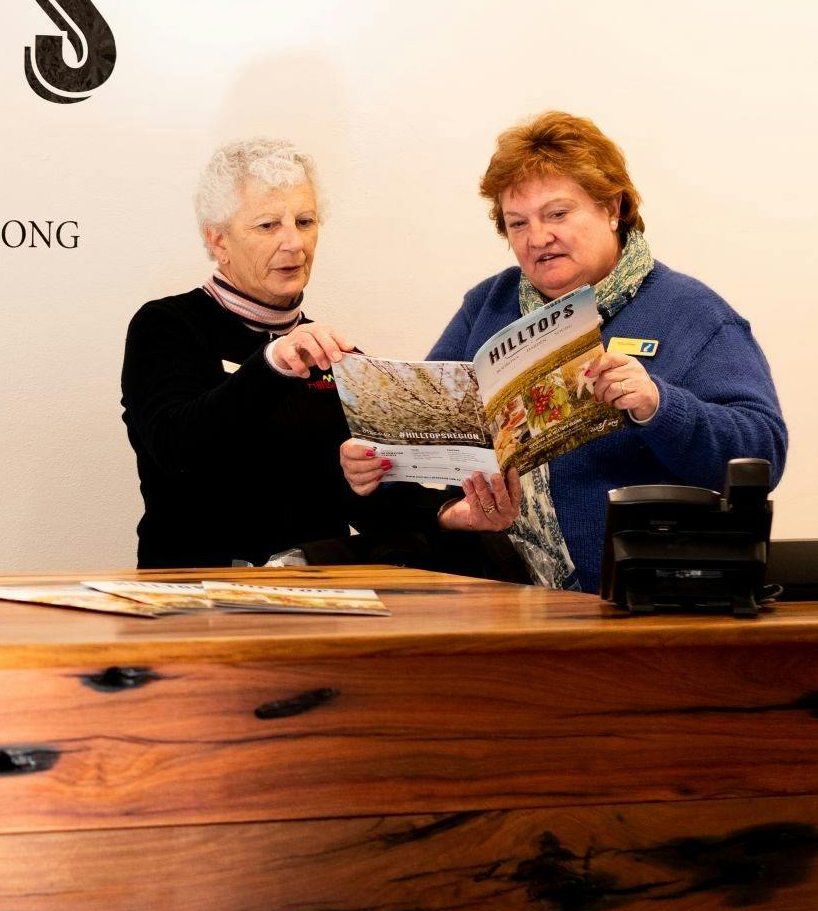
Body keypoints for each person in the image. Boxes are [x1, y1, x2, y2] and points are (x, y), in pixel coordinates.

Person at [341, 111, 788, 590]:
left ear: (612, 207)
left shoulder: (692, 312)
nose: (538, 238)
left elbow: (764, 452)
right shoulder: (488, 305)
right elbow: (428, 437)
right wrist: (376, 460)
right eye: (518, 223)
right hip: (492, 587)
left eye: (557, 214)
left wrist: (659, 406)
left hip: (632, 598)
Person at [120, 137, 374, 568]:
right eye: (268, 225)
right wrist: (272, 363)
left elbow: (365, 504)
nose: (295, 243)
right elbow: (178, 453)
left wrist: (451, 514)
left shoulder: (334, 353)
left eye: (305, 221)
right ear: (218, 240)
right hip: (195, 602)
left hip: (319, 599)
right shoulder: (167, 326)